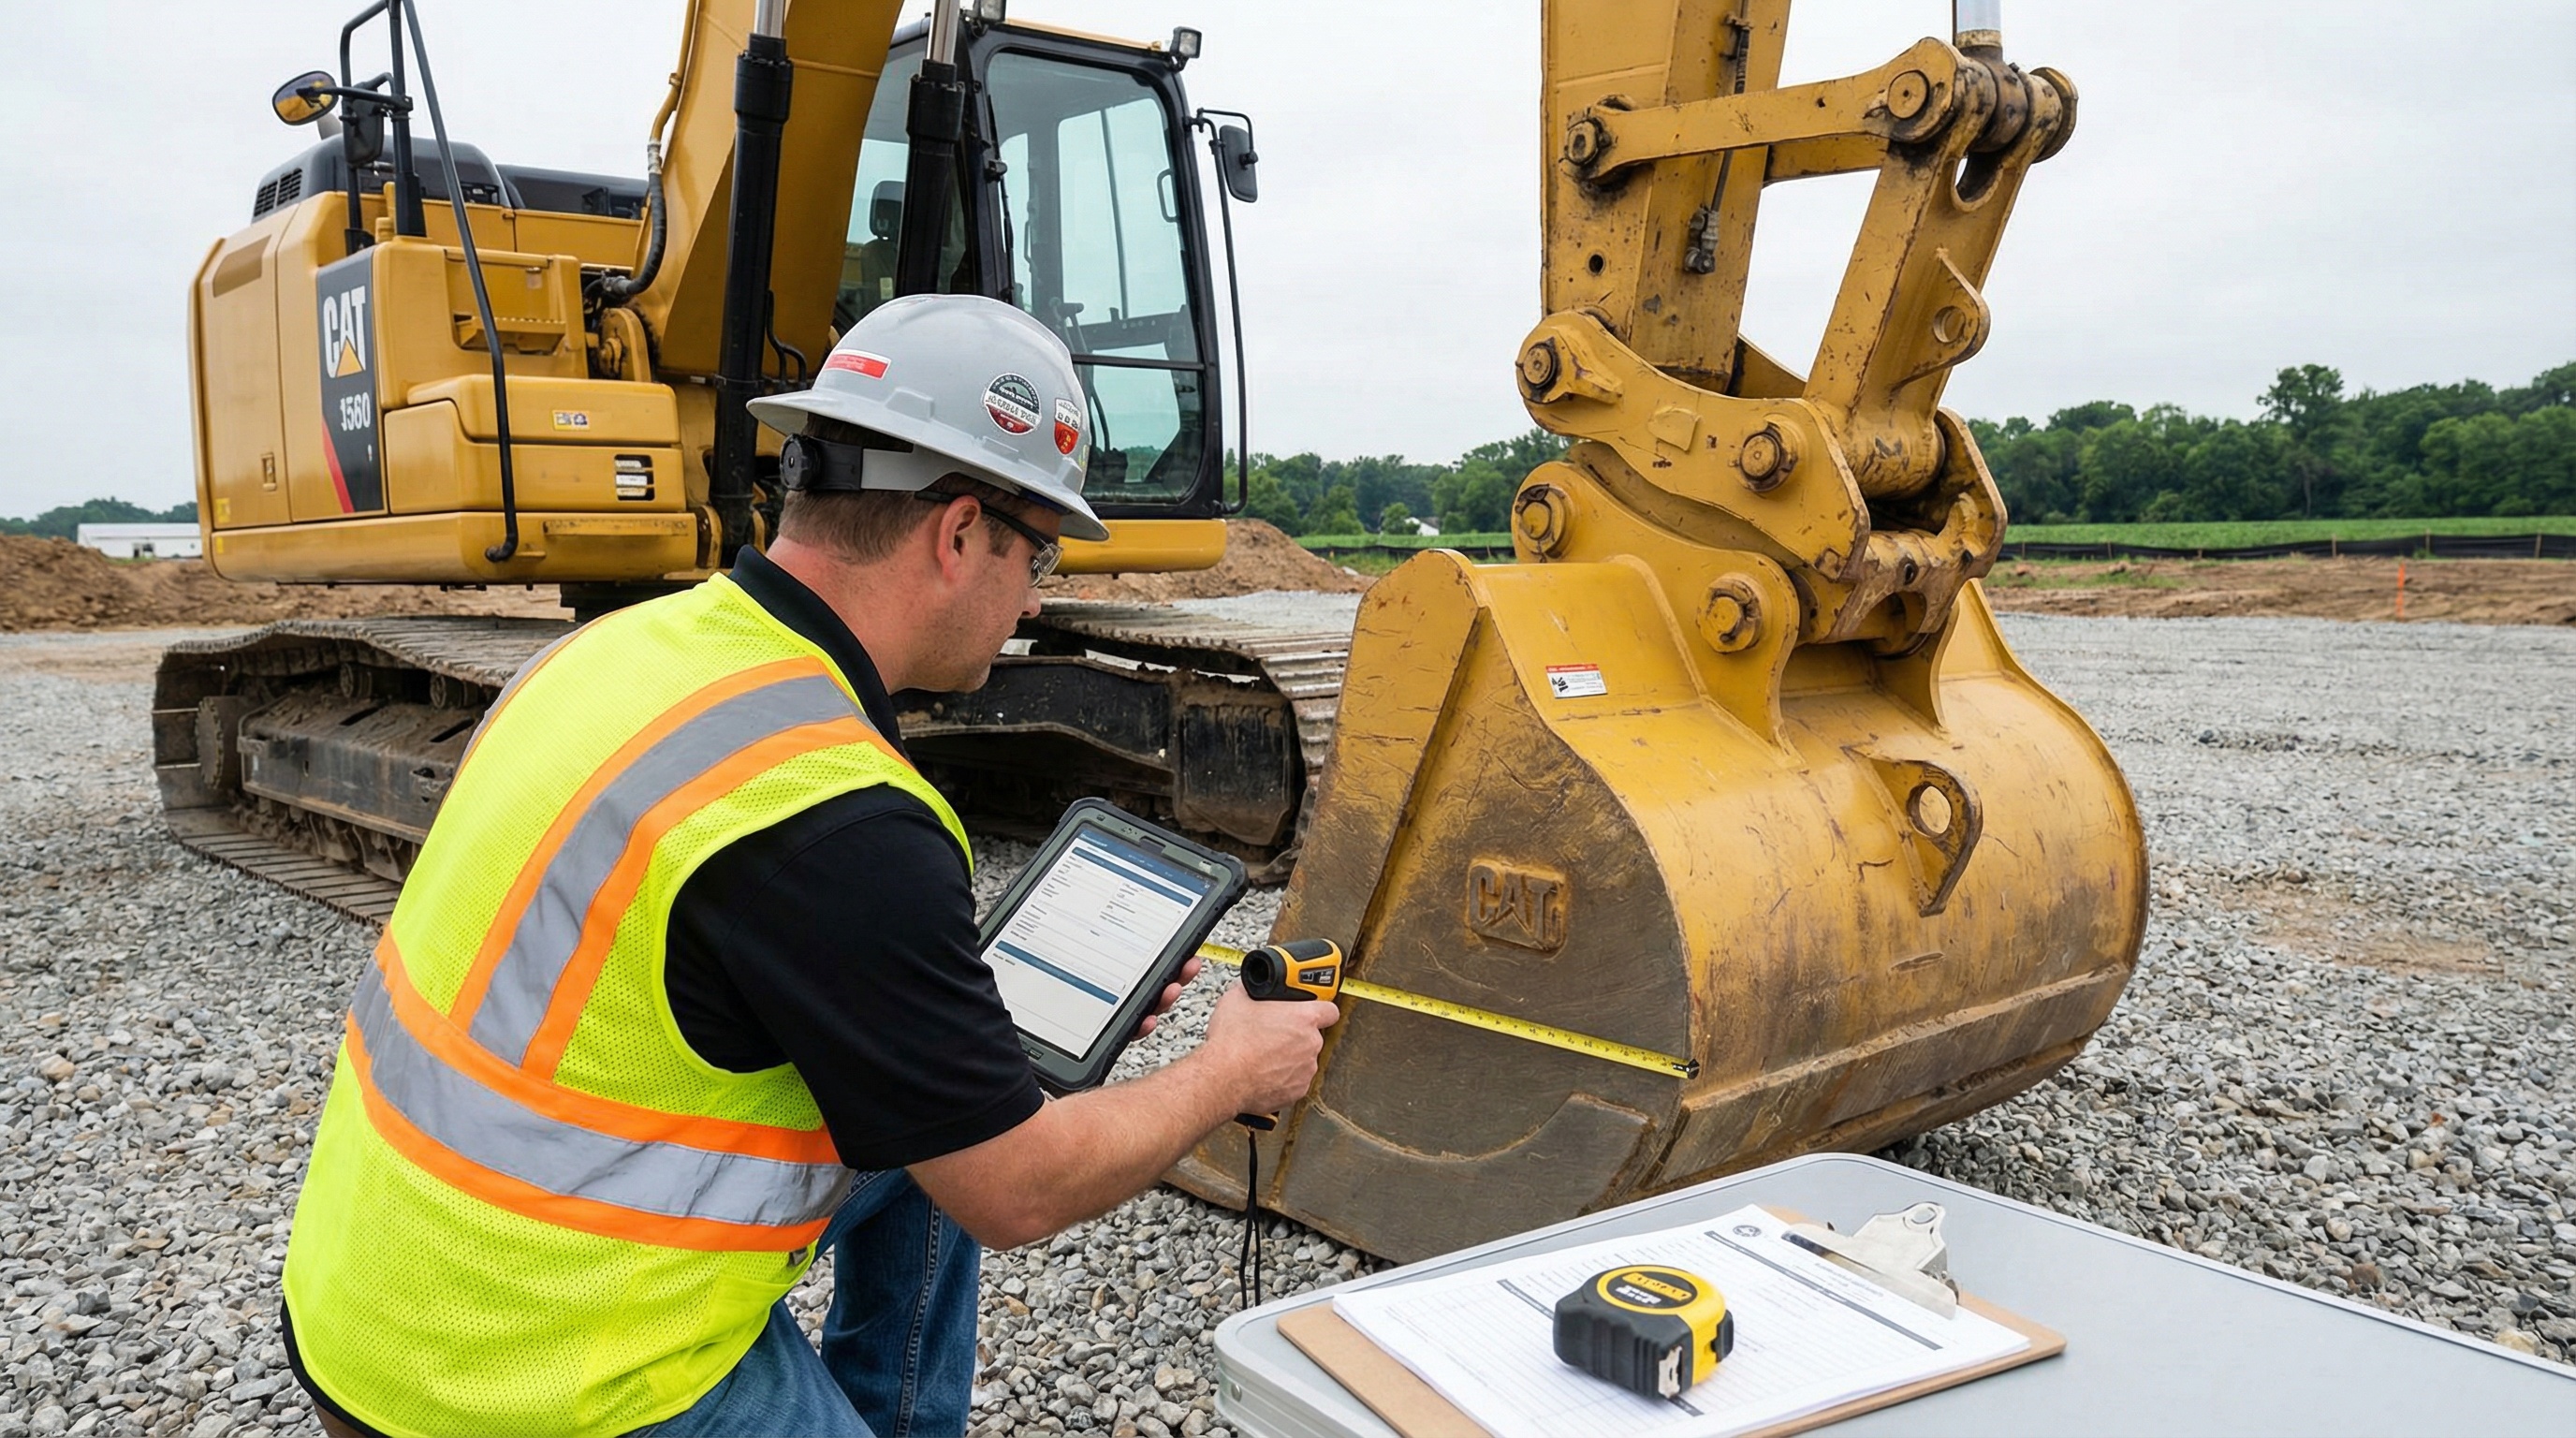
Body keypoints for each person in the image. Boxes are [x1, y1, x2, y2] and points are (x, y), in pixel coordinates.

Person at [278, 294, 1339, 1438]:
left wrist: (944, 1024)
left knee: (948, 1115)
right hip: (533, 1378)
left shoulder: (613, 654)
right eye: (1038, 553)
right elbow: (1016, 1192)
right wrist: (1230, 1074)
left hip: (372, 1291)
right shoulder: (839, 814)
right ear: (959, 533)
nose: (1035, 596)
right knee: (982, 1147)